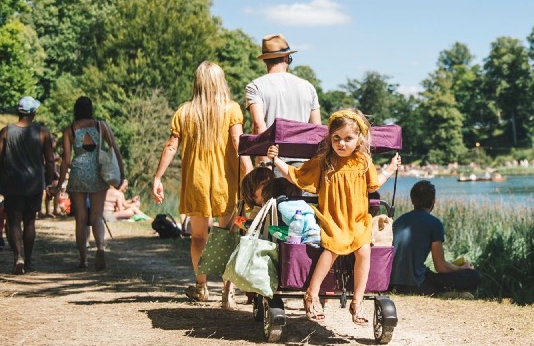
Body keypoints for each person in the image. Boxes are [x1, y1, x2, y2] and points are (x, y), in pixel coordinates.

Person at [269, 109, 401, 325]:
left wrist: (391, 168)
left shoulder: (363, 162)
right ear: (330, 138)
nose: (341, 144)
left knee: (364, 250)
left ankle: (357, 302)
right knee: (333, 247)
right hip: (333, 218)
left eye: (348, 139)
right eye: (336, 138)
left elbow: (374, 184)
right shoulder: (324, 162)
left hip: (358, 219)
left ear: (359, 139)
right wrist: (277, 161)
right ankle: (312, 293)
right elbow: (297, 176)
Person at [151, 61, 247, 308]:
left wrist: (158, 177)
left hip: (196, 182)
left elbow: (171, 146)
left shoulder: (184, 112)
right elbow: (238, 143)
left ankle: (201, 287)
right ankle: (228, 291)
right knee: (228, 236)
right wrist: (249, 173)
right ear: (221, 82)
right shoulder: (232, 109)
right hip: (226, 182)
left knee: (198, 237)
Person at [60, 96, 127, 271]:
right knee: (97, 215)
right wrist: (121, 173)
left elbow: (66, 161)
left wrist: (60, 183)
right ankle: (100, 248)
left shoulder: (70, 130)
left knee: (81, 218)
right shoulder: (101, 125)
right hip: (98, 172)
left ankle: (83, 259)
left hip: (78, 173)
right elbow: (114, 148)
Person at [0, 96, 57, 275]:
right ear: (34, 112)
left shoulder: (5, 132)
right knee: (30, 222)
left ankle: (18, 257)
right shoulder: (43, 132)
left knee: (14, 221)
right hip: (34, 183)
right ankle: (28, 260)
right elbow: (50, 160)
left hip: (12, 182)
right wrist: (48, 182)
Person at [390, 180, 481, 294]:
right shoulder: (435, 223)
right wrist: (462, 268)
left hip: (392, 282)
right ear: (433, 201)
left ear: (412, 200)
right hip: (417, 284)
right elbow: (440, 267)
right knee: (474, 276)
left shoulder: (399, 221)